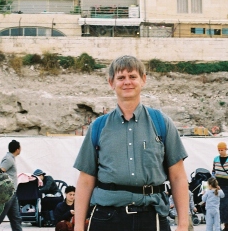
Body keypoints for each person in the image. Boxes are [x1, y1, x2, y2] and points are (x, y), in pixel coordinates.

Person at [73, 55, 189, 231]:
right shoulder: (98, 127)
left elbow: (178, 177)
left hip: (151, 218)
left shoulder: (162, 123)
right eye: (121, 78)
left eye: (132, 76)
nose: (127, 82)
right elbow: (86, 180)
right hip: (106, 219)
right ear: (111, 83)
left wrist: (183, 224)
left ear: (143, 80)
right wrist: (79, 227)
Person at [0, 140, 22, 231]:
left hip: (13, 193)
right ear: (17, 149)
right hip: (8, 193)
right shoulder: (9, 159)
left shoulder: (11, 158)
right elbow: (0, 170)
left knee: (16, 218)